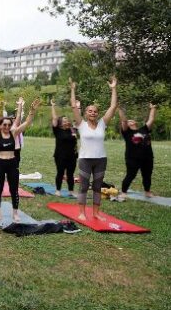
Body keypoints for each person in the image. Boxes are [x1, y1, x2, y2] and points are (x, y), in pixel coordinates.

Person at [0, 96, 40, 222]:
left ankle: (15, 213)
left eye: (9, 124)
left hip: (12, 163)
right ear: (1, 125)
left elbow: (27, 122)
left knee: (14, 189)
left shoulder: (14, 133)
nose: (7, 126)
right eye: (4, 124)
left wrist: (32, 111)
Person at [70, 76, 118, 221]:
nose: (93, 113)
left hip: (101, 159)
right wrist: (73, 89)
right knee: (84, 186)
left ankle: (96, 213)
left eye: (95, 111)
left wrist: (114, 88)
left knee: (97, 187)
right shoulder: (81, 125)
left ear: (97, 114)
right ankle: (82, 212)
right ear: (86, 113)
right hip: (85, 159)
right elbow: (73, 106)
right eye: (90, 111)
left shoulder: (102, 124)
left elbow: (113, 107)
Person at [119, 103, 156, 200]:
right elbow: (123, 120)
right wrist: (119, 108)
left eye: (131, 120)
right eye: (128, 121)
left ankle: (147, 191)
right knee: (131, 175)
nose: (129, 121)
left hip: (147, 157)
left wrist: (153, 108)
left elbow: (151, 119)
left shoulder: (144, 129)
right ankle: (123, 192)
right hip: (133, 158)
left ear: (135, 122)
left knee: (147, 175)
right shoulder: (127, 132)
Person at [50, 98, 78, 197]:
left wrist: (77, 108)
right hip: (60, 156)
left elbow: (78, 119)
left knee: (70, 174)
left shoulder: (73, 130)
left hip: (72, 156)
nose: (66, 122)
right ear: (60, 123)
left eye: (67, 120)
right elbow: (54, 118)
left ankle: (71, 191)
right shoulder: (57, 130)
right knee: (60, 173)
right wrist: (53, 106)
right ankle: (58, 190)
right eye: (64, 121)